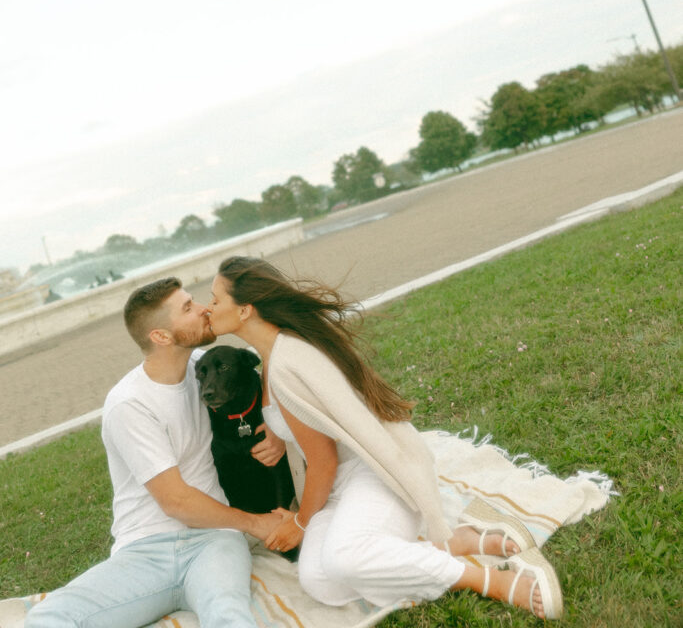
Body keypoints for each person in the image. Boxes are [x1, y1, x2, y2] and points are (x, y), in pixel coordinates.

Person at [208, 256, 564, 621]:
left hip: (373, 473)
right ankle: (453, 544)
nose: (209, 308)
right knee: (320, 581)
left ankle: (494, 580)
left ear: (245, 310)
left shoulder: (286, 362)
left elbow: (324, 461)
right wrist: (283, 436)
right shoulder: (270, 355)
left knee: (346, 558)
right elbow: (310, 420)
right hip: (337, 489)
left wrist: (299, 523)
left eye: (216, 299)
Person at [26, 276, 286, 628]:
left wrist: (272, 421)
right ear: (161, 336)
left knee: (229, 614)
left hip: (216, 542)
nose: (203, 309)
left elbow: (268, 359)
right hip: (147, 549)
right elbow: (176, 501)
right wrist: (257, 523)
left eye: (195, 301)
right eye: (188, 308)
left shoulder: (203, 369)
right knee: (51, 617)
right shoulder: (129, 404)